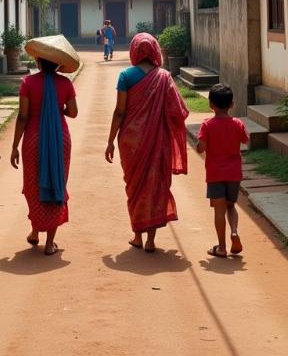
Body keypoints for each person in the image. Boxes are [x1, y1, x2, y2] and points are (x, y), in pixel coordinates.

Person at [105, 32, 189, 253]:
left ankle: (137, 236)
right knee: (156, 185)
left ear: (134, 51)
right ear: (154, 51)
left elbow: (119, 112)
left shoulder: (125, 75)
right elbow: (178, 112)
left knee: (134, 187)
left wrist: (110, 141)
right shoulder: (164, 77)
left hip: (130, 142)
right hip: (157, 138)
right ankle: (151, 240)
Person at [11, 35, 80, 255]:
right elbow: (74, 112)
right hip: (60, 139)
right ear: (59, 64)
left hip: (33, 140)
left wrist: (14, 146)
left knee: (35, 186)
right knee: (56, 184)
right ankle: (50, 243)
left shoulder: (28, 83)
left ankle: (35, 231)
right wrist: (56, 108)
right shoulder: (65, 83)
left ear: (38, 62)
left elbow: (22, 117)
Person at [197, 84, 249, 258]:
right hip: (234, 173)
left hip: (215, 174)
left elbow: (201, 148)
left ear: (211, 104)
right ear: (232, 104)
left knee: (218, 210)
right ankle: (234, 232)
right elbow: (245, 140)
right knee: (231, 206)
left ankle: (221, 247)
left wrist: (201, 143)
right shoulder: (238, 124)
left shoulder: (207, 125)